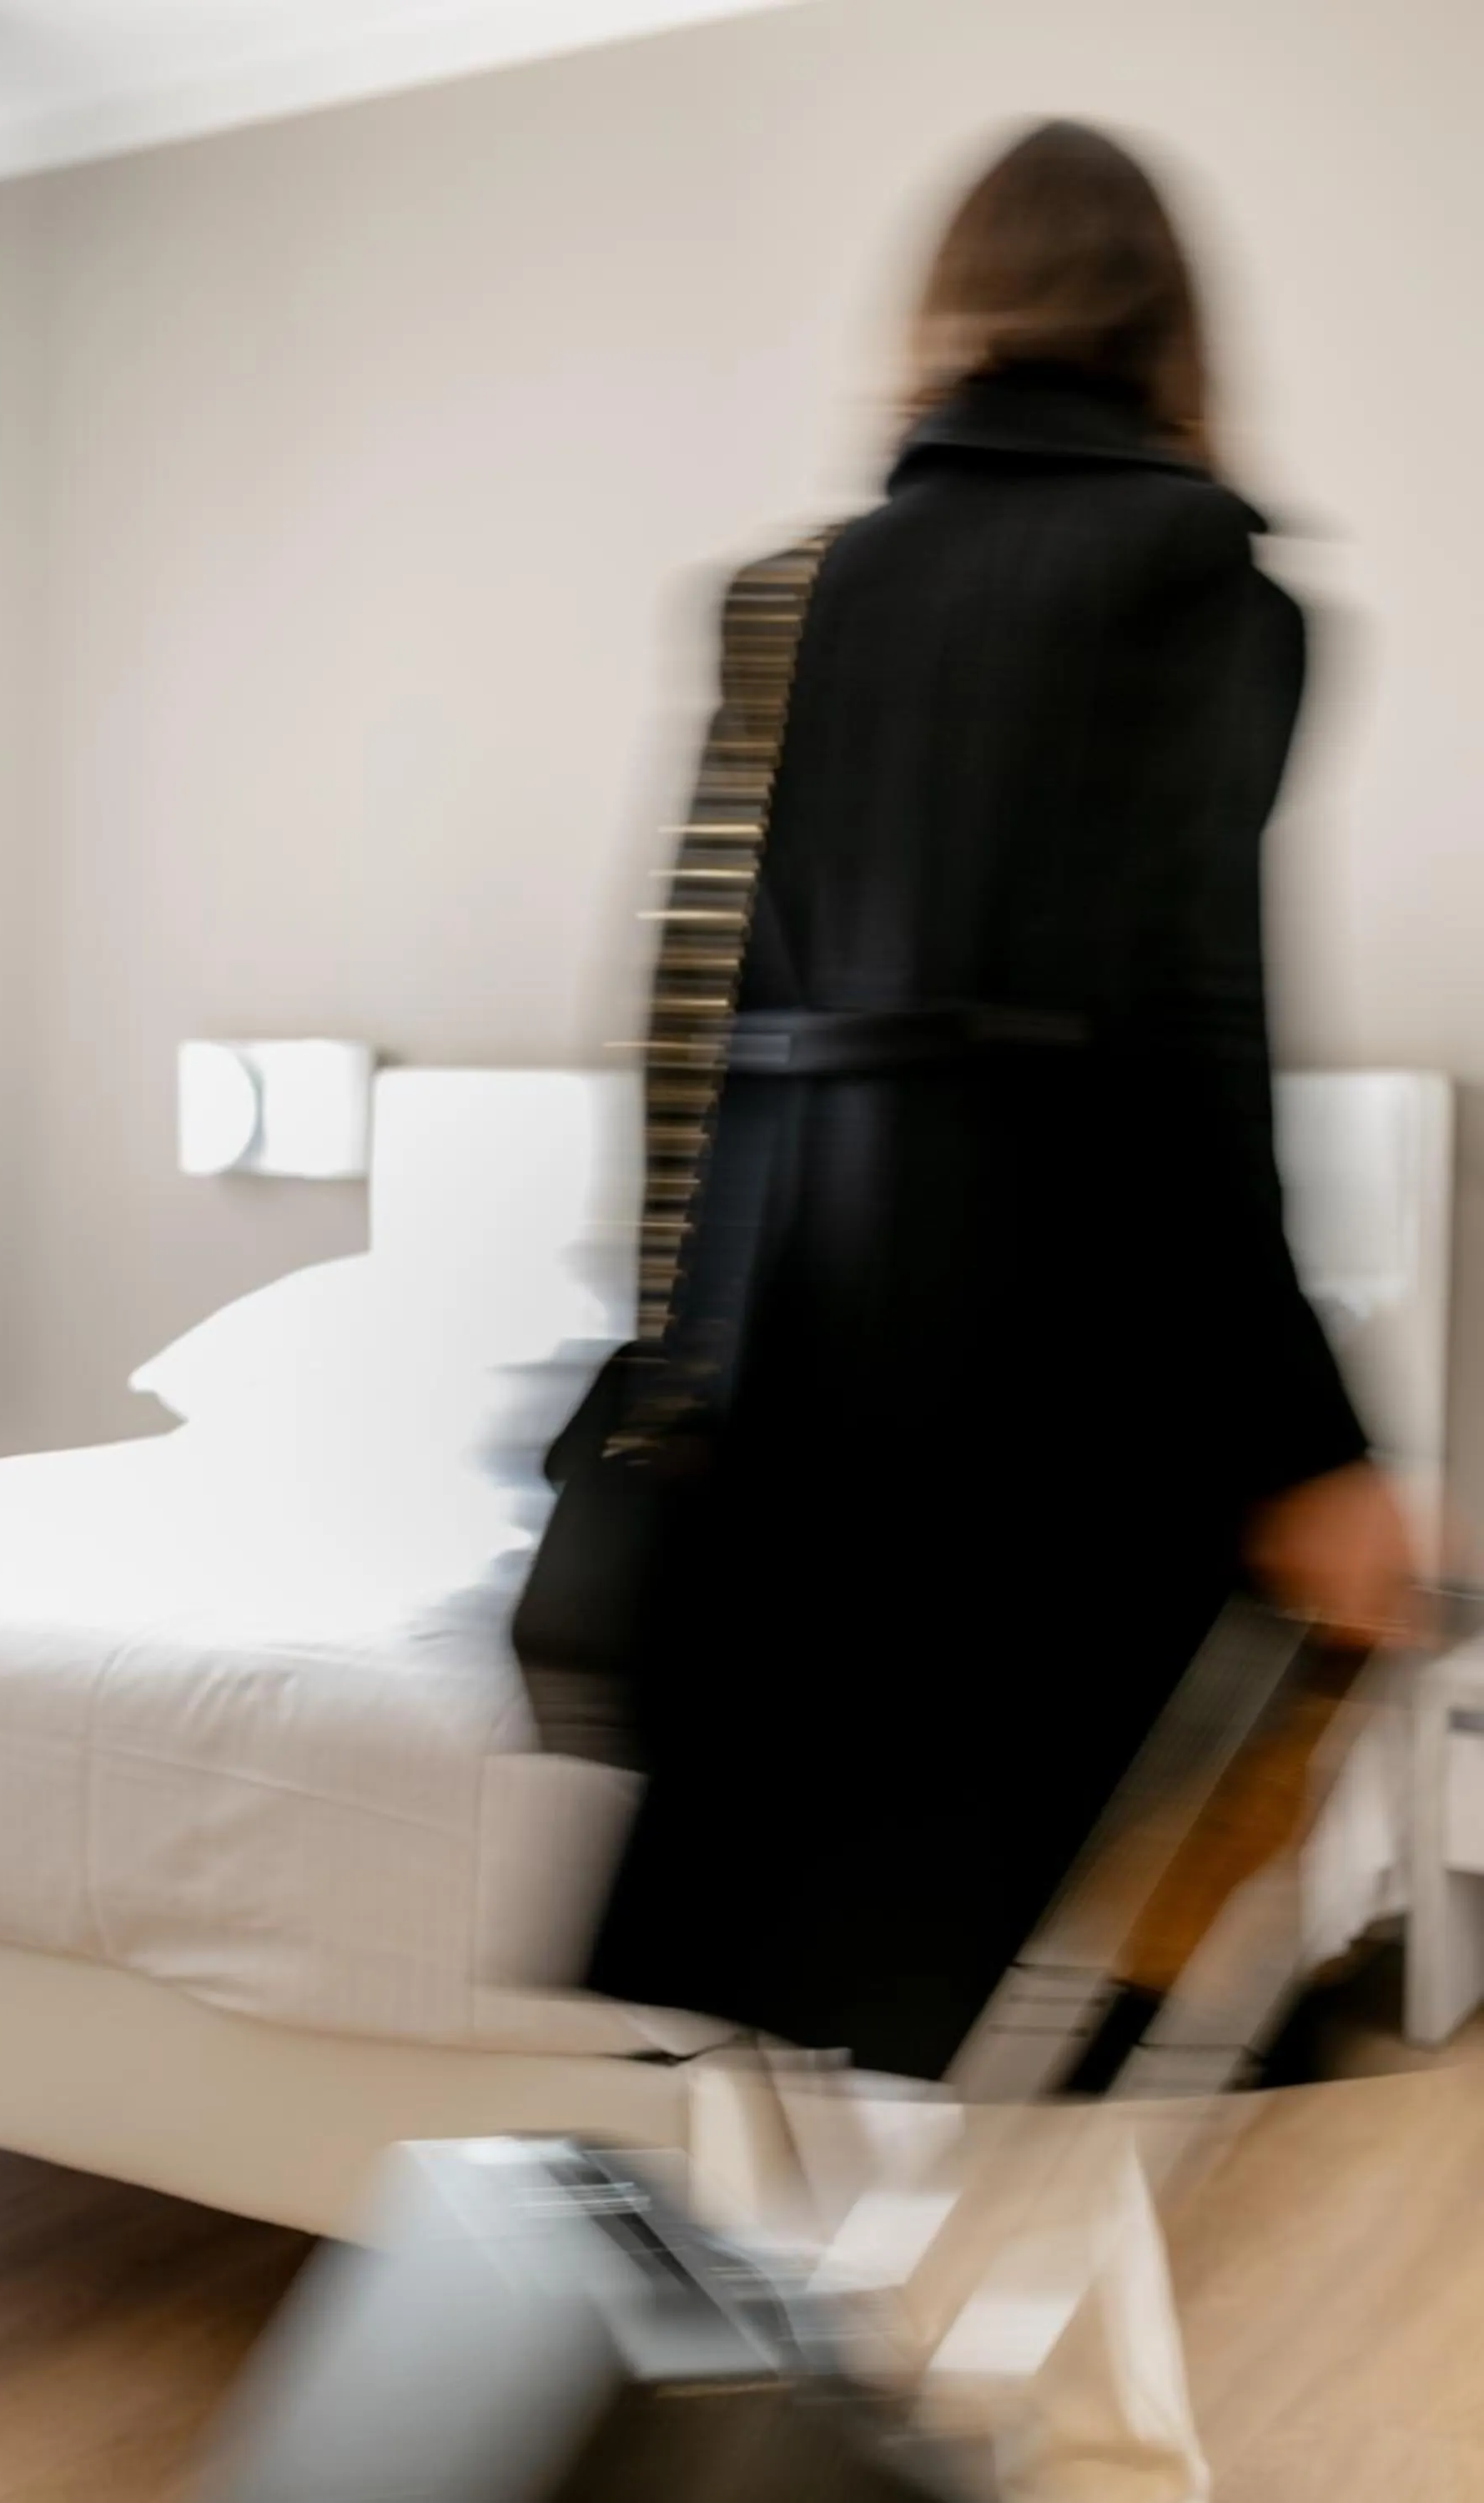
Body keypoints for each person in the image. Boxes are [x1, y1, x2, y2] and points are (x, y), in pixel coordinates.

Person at [581, 118, 1420, 2093]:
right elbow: (1199, 1025)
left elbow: (688, 1028)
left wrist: (667, 1362)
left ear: (948, 318)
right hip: (1060, 1384)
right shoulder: (1208, 582)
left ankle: (808, 2337)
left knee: (811, 1971)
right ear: (1169, 333)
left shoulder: (785, 594)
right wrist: (1317, 1444)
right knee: (1141, 1929)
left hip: (798, 1375)